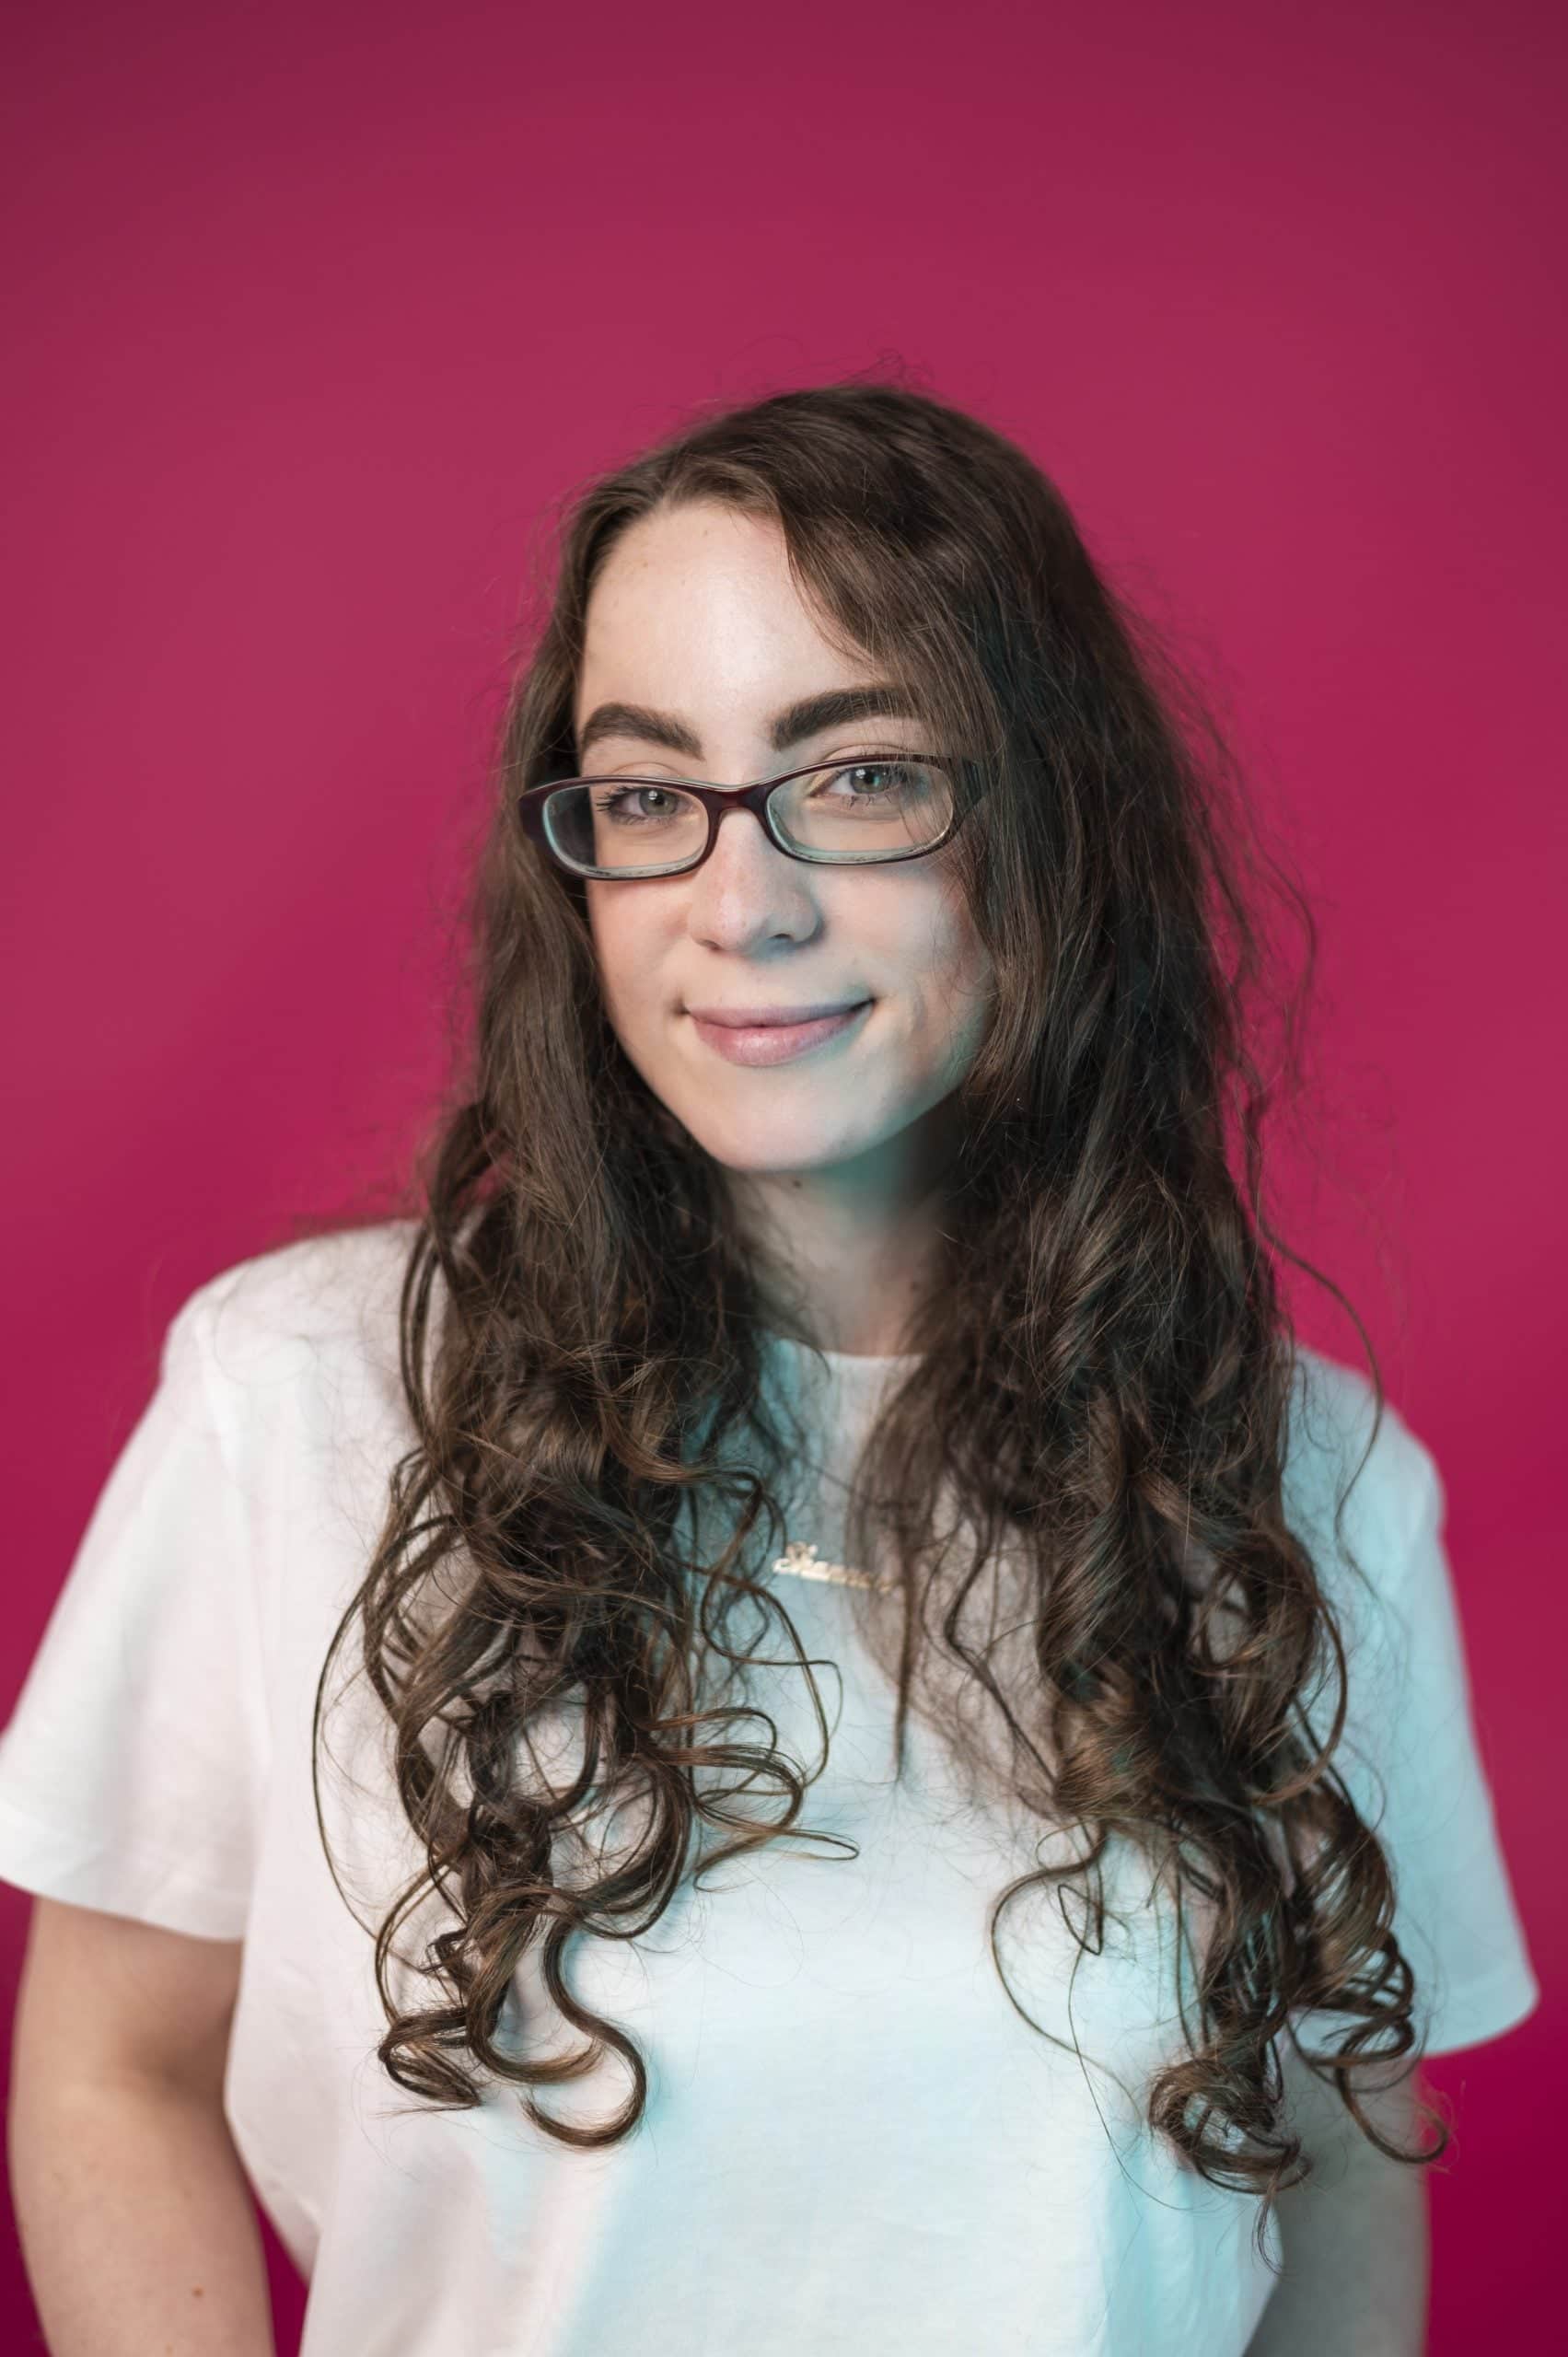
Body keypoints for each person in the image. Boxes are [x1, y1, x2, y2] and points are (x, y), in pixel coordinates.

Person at [0, 377, 1539, 2357]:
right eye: (647, 795)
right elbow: (108, 2064)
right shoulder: (300, 1398)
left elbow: (1333, 2150)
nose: (741, 902)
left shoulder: (1314, 1486)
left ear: (1051, 825)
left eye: (862, 775)